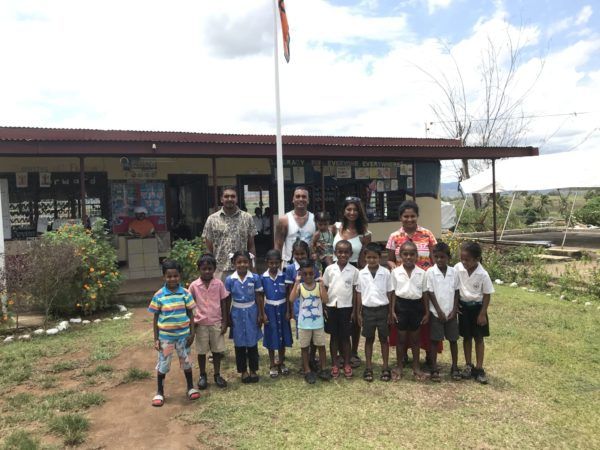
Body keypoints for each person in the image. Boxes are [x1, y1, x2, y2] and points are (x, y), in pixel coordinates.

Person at [386, 200, 438, 365]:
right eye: (405, 216)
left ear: (417, 216)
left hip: (424, 283)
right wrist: (394, 267)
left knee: (424, 319)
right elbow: (389, 260)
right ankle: (405, 354)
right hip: (403, 284)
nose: (409, 219)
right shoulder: (394, 236)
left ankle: (430, 352)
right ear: (400, 217)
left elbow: (434, 258)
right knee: (404, 320)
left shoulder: (427, 234)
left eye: (412, 216)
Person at [148, 260, 200, 407]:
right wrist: (156, 338)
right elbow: (156, 317)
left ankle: (190, 387)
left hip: (184, 337)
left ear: (180, 276)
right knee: (163, 365)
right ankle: (160, 392)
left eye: (175, 276)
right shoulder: (159, 295)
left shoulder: (185, 293)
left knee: (187, 362)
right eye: (169, 276)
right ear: (164, 277)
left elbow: (191, 314)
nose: (172, 279)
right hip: (166, 339)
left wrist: (192, 333)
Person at [332, 197, 372, 367]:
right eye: (348, 209)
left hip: (356, 272)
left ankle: (353, 351)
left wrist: (363, 246)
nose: (352, 213)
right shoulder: (335, 227)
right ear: (343, 211)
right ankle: (341, 352)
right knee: (340, 312)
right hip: (336, 272)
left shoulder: (366, 234)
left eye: (355, 210)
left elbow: (364, 261)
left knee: (355, 314)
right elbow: (328, 249)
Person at [455, 242, 494, 384]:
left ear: (477, 259)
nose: (464, 262)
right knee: (466, 337)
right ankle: (468, 365)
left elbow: (487, 294)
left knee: (478, 338)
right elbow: (455, 287)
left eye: (467, 259)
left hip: (478, 309)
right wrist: (456, 304)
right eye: (462, 258)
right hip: (464, 308)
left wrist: (483, 313)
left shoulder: (483, 274)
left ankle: (479, 368)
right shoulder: (458, 268)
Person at [188, 253, 229, 390]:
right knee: (201, 351)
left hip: (216, 322)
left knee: (217, 351)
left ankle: (217, 374)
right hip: (200, 324)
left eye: (210, 269)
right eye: (204, 269)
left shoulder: (219, 284)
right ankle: (202, 375)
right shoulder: (194, 286)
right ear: (199, 269)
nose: (207, 271)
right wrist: (192, 322)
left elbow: (224, 302)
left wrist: (224, 322)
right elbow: (189, 305)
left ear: (214, 269)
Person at [390, 241, 429, 381]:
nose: (408, 257)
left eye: (412, 254)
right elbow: (393, 292)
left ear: (417, 256)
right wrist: (392, 311)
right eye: (405, 254)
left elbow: (425, 293)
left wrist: (427, 312)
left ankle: (416, 367)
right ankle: (399, 367)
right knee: (400, 339)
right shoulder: (395, 272)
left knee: (415, 339)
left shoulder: (422, 273)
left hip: (416, 307)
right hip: (401, 306)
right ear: (400, 256)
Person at [225, 251, 266, 384]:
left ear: (249, 262)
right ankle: (243, 371)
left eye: (245, 262)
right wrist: (227, 316)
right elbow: (227, 299)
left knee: (252, 342)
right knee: (239, 343)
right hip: (236, 313)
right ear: (233, 263)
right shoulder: (230, 279)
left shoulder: (254, 278)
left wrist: (261, 313)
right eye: (239, 262)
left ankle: (253, 370)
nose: (242, 265)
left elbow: (259, 296)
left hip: (252, 312)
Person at [356, 243, 394, 382]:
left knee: (384, 339)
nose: (371, 260)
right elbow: (359, 293)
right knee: (369, 339)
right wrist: (358, 312)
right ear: (365, 258)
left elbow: (390, 292)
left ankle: (385, 367)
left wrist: (391, 311)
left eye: (374, 257)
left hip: (383, 309)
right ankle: (369, 367)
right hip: (367, 310)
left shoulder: (386, 272)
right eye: (369, 257)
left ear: (380, 257)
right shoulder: (361, 274)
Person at [289, 259, 332, 384]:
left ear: (315, 273)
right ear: (301, 275)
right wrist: (296, 283)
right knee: (304, 347)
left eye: (311, 273)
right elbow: (291, 299)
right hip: (303, 324)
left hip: (318, 323)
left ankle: (323, 368)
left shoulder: (319, 286)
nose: (308, 276)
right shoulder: (300, 286)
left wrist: (323, 285)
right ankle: (307, 370)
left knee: (321, 346)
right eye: (305, 274)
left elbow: (325, 300)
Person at [202, 187, 257, 281]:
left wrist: (253, 268)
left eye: (233, 196)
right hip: (219, 270)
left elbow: (251, 246)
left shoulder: (247, 218)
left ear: (236, 199)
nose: (230, 199)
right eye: (226, 196)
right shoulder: (212, 219)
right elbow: (208, 249)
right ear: (221, 199)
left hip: (242, 269)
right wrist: (209, 270)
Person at [322, 240, 359, 379]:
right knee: (334, 337)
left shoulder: (354, 271)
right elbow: (325, 287)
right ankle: (335, 364)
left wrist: (355, 311)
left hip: (346, 308)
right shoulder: (329, 269)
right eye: (340, 252)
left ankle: (347, 363)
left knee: (345, 337)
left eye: (346, 252)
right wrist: (324, 305)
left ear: (350, 254)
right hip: (332, 307)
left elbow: (356, 292)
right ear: (335, 253)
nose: (343, 254)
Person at [426, 242, 461, 382]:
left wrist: (454, 310)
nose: (439, 260)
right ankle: (434, 368)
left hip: (451, 313)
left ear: (449, 258)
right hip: (436, 313)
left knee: (453, 340)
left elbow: (457, 291)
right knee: (435, 341)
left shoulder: (454, 272)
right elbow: (430, 292)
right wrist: (439, 311)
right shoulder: (430, 272)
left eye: (442, 257)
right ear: (433, 257)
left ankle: (455, 366)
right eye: (436, 257)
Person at [284, 240, 320, 371]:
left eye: (302, 254)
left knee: (314, 334)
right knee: (304, 336)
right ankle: (305, 361)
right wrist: (290, 310)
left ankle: (312, 358)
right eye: (297, 254)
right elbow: (288, 291)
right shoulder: (289, 269)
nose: (299, 257)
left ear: (307, 253)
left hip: (314, 306)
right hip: (299, 307)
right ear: (293, 254)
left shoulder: (314, 268)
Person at [261, 249, 293, 378]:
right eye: (271, 263)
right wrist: (263, 313)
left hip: (282, 308)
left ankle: (281, 361)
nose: (274, 266)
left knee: (283, 335)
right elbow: (260, 297)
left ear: (280, 263)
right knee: (271, 335)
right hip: (270, 309)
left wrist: (289, 311)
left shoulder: (284, 277)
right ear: (267, 263)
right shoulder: (262, 278)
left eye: (276, 263)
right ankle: (272, 364)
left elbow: (288, 294)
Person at [275, 186, 316, 264]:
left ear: (308, 200)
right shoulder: (284, 220)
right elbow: (278, 246)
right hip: (289, 265)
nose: (301, 199)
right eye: (297, 196)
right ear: (293, 200)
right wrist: (278, 268)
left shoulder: (315, 219)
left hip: (309, 267)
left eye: (304, 197)